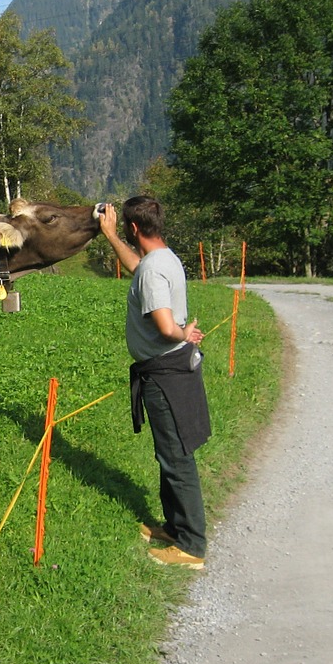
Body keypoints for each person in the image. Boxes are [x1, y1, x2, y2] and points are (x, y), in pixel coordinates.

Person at [100, 197, 211, 570]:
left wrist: (183, 332)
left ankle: (192, 546)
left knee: (177, 458)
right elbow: (139, 267)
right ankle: (175, 528)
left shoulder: (152, 270)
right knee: (169, 454)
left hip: (166, 374)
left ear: (135, 228)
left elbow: (165, 328)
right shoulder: (164, 259)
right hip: (171, 369)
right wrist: (111, 236)